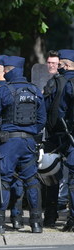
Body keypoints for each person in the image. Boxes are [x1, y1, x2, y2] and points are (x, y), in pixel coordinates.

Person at [0, 55, 46, 234]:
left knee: (2, 181)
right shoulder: (35, 90)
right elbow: (42, 119)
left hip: (8, 142)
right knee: (32, 181)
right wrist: (31, 132)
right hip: (28, 142)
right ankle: (36, 223)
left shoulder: (5, 90)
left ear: (8, 71)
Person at [42, 49, 74, 231]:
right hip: (68, 134)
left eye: (60, 63)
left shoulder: (57, 82)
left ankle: (50, 216)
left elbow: (47, 109)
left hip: (58, 135)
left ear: (66, 65)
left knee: (51, 176)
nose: (57, 66)